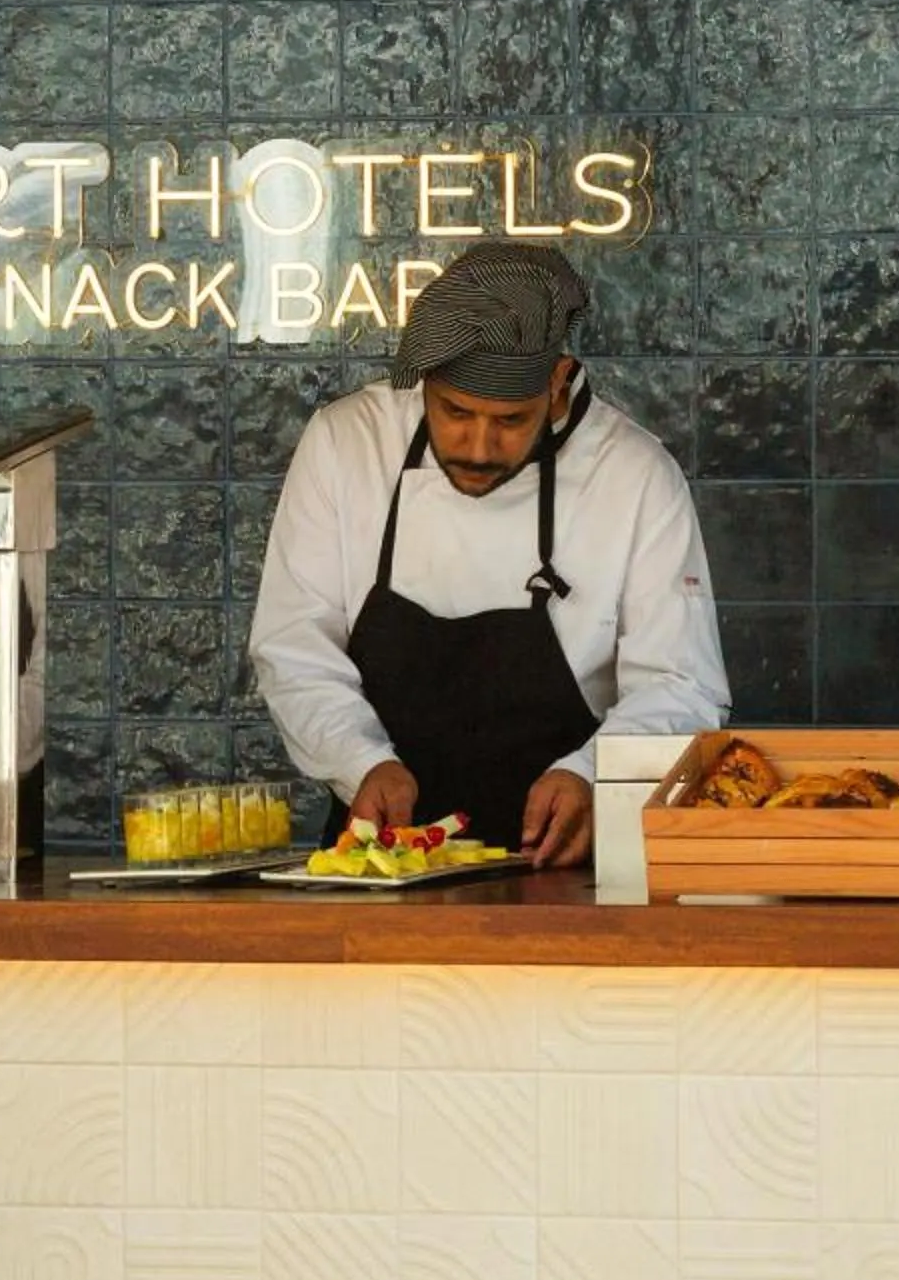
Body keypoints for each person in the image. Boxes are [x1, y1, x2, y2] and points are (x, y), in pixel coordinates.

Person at [248, 242, 729, 867]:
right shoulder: (348, 444)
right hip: (381, 860)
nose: (477, 446)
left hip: (564, 865)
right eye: (454, 412)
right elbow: (293, 645)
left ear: (557, 385)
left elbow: (682, 683)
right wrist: (361, 761)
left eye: (509, 420)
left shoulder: (635, 474)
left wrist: (591, 775)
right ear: (424, 383)